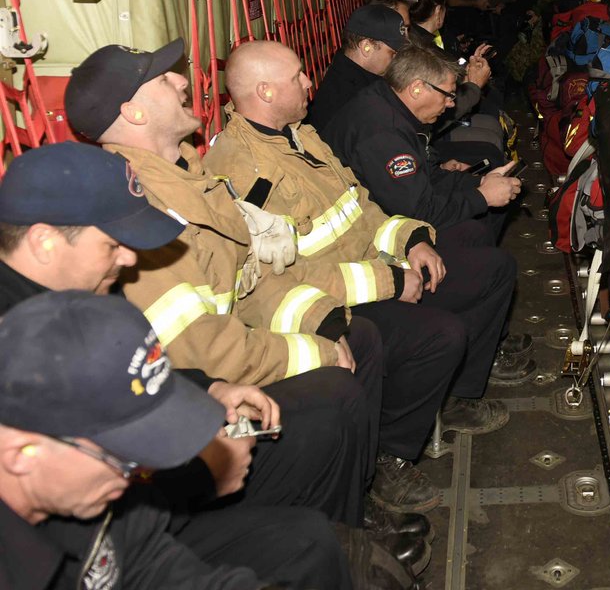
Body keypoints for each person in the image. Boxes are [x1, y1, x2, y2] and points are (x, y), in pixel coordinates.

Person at [60, 39, 429, 525]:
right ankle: (331, 535)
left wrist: (322, 322)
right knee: (337, 396)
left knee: (355, 335)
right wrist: (311, 351)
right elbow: (199, 347)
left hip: (239, 343)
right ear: (134, 112)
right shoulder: (143, 207)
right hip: (196, 391)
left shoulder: (190, 175)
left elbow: (248, 283)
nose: (182, 82)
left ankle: (354, 501)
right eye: (163, 79)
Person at [0, 141, 433, 543]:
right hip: (124, 514)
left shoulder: (74, 298)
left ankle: (347, 525)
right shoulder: (23, 333)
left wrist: (210, 390)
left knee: (341, 389)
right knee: (313, 530)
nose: (128, 258)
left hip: (163, 446)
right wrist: (206, 462)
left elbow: (148, 373)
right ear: (44, 242)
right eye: (113, 245)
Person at [208, 40, 527, 432]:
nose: (310, 82)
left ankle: (453, 390)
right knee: (443, 335)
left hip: (370, 265)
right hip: (335, 299)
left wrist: (411, 241)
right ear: (266, 92)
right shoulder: (245, 173)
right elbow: (285, 278)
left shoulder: (301, 137)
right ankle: (394, 451)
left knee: (489, 263)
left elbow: (360, 207)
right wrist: (391, 281)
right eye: (297, 77)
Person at [0, 291, 353, 589]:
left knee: (308, 541)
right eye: (125, 459)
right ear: (20, 455)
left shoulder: (89, 491)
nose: (139, 475)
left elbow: (148, 563)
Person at [323, 45, 523, 235]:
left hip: (394, 207)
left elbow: (424, 174)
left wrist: (480, 181)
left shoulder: (389, 103)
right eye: (447, 95)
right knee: (483, 245)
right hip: (372, 229)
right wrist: (483, 196)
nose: (451, 103)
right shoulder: (383, 134)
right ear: (417, 88)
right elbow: (419, 212)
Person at [307, 4, 408, 133]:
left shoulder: (358, 79)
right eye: (393, 53)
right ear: (367, 47)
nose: (397, 59)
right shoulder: (348, 98)